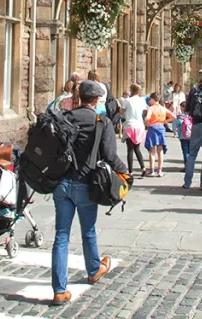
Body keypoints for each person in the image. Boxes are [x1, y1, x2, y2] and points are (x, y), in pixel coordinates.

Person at [51, 80, 128, 306]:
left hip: (62, 184)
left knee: (61, 236)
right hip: (85, 184)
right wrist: (125, 173)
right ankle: (94, 269)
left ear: (79, 98)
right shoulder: (100, 121)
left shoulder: (65, 118)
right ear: (95, 100)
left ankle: (58, 290)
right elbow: (110, 155)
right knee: (88, 231)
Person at [121, 83, 149, 177]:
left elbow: (121, 111)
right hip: (139, 126)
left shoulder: (128, 100)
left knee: (130, 149)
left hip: (130, 125)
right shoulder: (142, 101)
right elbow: (146, 110)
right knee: (137, 148)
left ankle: (130, 172)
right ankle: (143, 168)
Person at [144, 94, 175, 177]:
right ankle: (160, 170)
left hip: (152, 128)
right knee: (160, 150)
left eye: (150, 99)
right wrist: (165, 121)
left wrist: (147, 123)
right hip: (161, 128)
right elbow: (173, 116)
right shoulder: (163, 108)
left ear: (153, 99)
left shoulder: (150, 108)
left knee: (152, 150)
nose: (150, 101)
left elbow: (147, 118)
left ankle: (151, 170)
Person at [175, 102, 192, 167]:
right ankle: (191, 165)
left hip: (183, 136)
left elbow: (177, 125)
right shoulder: (192, 117)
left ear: (183, 108)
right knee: (191, 152)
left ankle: (187, 166)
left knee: (185, 151)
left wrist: (176, 133)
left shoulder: (180, 117)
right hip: (191, 135)